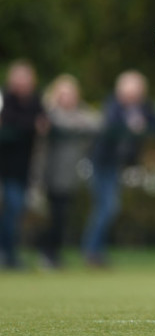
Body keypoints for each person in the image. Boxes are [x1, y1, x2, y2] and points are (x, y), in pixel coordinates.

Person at [82, 69, 155, 267]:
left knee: (109, 208)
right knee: (106, 208)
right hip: (101, 163)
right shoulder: (113, 105)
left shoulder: (143, 107)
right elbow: (110, 124)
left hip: (117, 165)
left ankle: (95, 251)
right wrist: (131, 125)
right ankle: (91, 251)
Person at [37, 74, 102, 268]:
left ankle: (53, 256)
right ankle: (47, 254)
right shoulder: (49, 114)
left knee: (62, 217)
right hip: (47, 175)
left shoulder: (79, 113)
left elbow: (97, 121)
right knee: (51, 217)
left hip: (69, 176)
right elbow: (54, 123)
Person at [0, 60, 48, 269]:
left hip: (22, 169)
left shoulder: (35, 100)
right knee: (12, 208)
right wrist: (31, 125)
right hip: (5, 165)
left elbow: (43, 123)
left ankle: (9, 255)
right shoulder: (5, 99)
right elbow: (11, 121)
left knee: (15, 210)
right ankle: (7, 255)